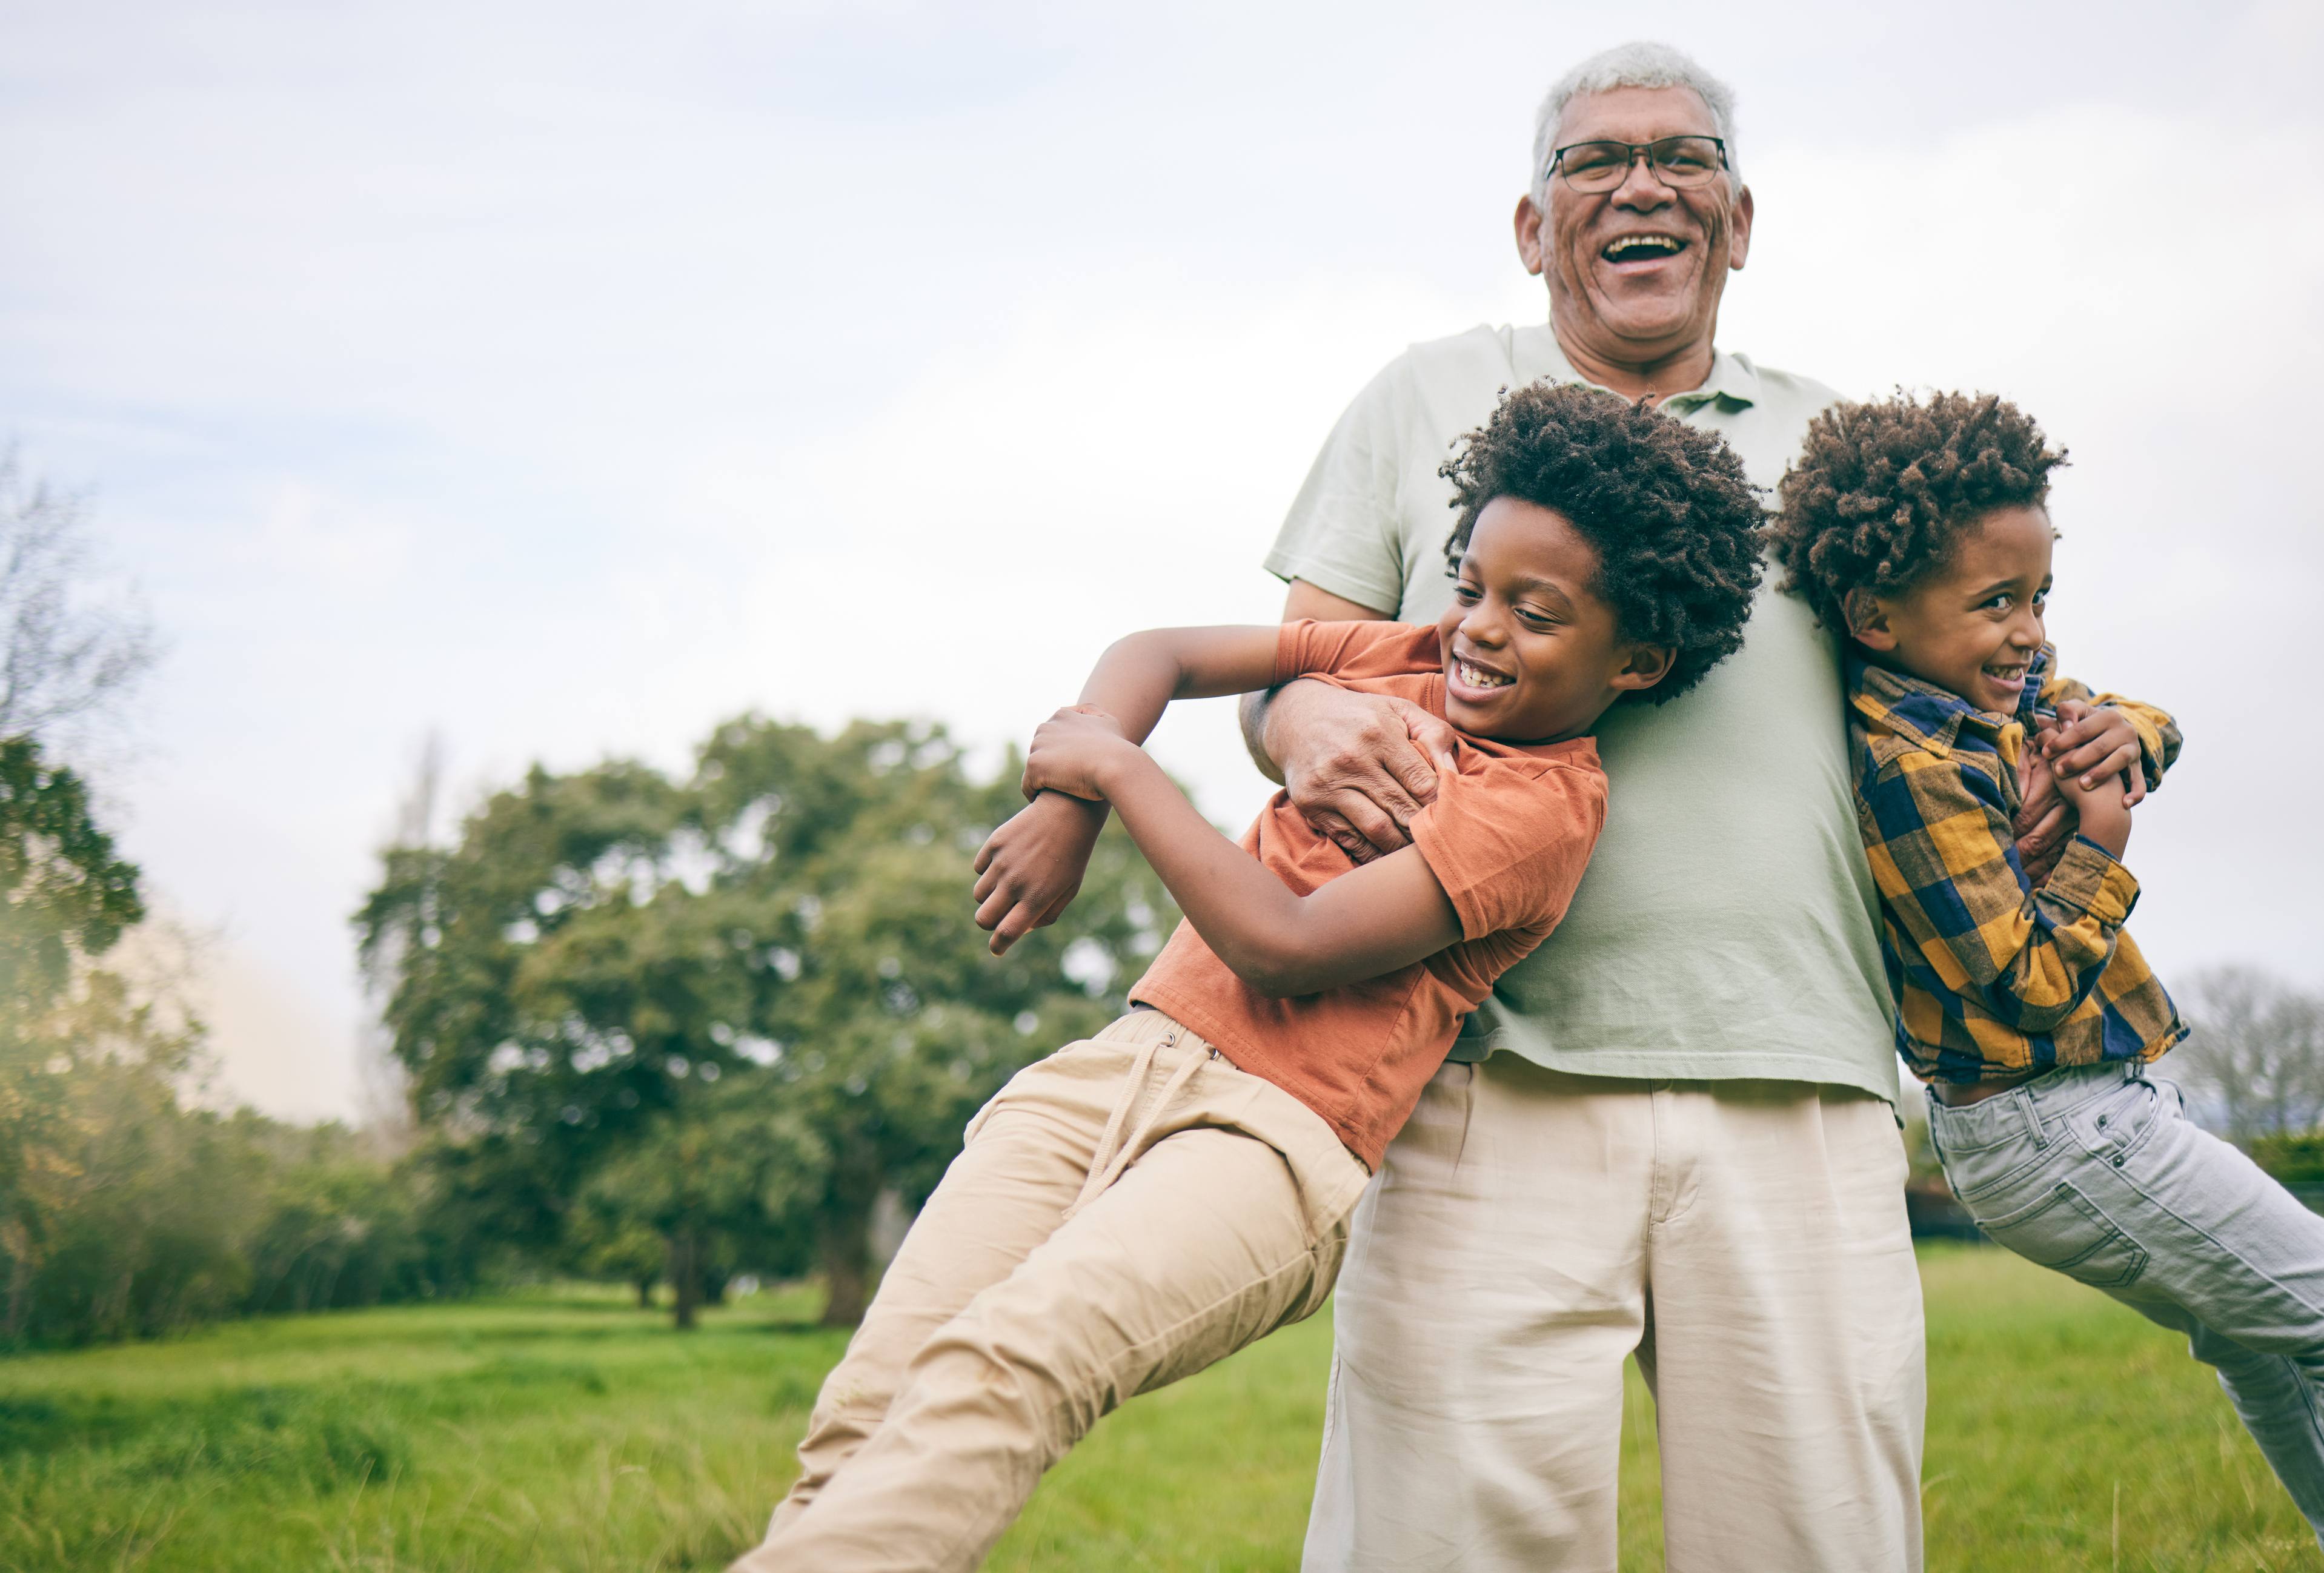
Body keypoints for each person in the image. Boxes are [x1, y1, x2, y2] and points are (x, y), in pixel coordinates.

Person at [1240, 39, 2089, 1573]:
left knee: (1815, 1544)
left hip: (1803, 1081)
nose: (1642, 184)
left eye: (1684, 159)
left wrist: (2058, 772)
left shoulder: (1848, 450)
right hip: (1471, 1086)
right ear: (1531, 225)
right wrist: (1301, 721)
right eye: (1594, 161)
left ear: (1739, 220)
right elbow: (1290, 671)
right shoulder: (1426, 396)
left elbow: (2001, 683)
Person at [727, 385, 1767, 1573]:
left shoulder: (1538, 815)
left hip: (1270, 1146)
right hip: (1119, 1064)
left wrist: (1117, 775)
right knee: (866, 1412)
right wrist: (1064, 809)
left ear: (1638, 657)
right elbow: (1155, 655)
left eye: (1535, 613)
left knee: (1004, 1368)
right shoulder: (1406, 654)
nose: (1476, 630)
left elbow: (1282, 943)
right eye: (1470, 585)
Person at [1769, 388, 2324, 1545]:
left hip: (2098, 1110)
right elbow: (2022, 981)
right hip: (2046, 1128)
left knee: (2261, 1340)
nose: (2029, 632)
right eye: (1995, 603)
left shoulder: (1992, 693)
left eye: (2038, 596)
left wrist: (2135, 740)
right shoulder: (1908, 767)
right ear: (1875, 614)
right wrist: (2103, 848)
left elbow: (2126, 715)